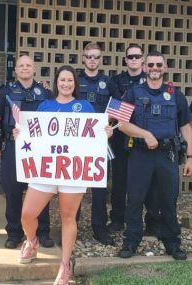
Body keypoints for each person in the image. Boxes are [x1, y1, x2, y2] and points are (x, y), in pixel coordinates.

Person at [16, 65, 113, 285]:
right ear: (56, 82)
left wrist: (104, 133)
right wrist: (19, 133)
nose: (66, 84)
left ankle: (65, 264)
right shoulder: (45, 105)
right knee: (27, 214)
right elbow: (34, 133)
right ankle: (32, 241)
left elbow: (94, 135)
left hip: (72, 172)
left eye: (70, 80)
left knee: (68, 218)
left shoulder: (85, 106)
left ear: (75, 84)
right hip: (46, 168)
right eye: (62, 80)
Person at [118, 51, 192, 260]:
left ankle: (172, 242)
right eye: (150, 65)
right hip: (140, 154)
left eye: (159, 65)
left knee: (168, 200)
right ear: (144, 67)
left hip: (167, 155)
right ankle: (131, 241)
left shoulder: (176, 94)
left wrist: (191, 157)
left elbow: (186, 126)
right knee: (134, 199)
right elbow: (121, 123)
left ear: (165, 67)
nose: (154, 68)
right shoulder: (133, 92)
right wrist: (145, 134)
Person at [0, 55, 54, 249]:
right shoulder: (5, 92)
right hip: (13, 147)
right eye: (21, 66)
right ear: (15, 70)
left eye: (29, 65)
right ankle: (14, 233)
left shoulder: (46, 92)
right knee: (13, 192)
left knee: (41, 189)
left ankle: (43, 231)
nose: (25, 68)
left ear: (34, 69)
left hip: (40, 150)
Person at [108, 44, 161, 237]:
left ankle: (152, 222)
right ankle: (117, 219)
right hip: (121, 136)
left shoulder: (152, 81)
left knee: (147, 182)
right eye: (130, 57)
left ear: (143, 60)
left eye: (137, 56)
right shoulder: (115, 81)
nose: (133, 60)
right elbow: (114, 108)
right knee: (120, 180)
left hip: (143, 137)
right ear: (125, 60)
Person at [78, 42, 120, 245]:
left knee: (99, 187)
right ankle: (72, 227)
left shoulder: (109, 82)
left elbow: (118, 108)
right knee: (75, 184)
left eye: (96, 56)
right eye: (89, 56)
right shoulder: (75, 80)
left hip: (100, 142)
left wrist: (110, 124)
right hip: (77, 141)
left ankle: (99, 229)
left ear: (100, 59)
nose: (92, 60)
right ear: (83, 58)